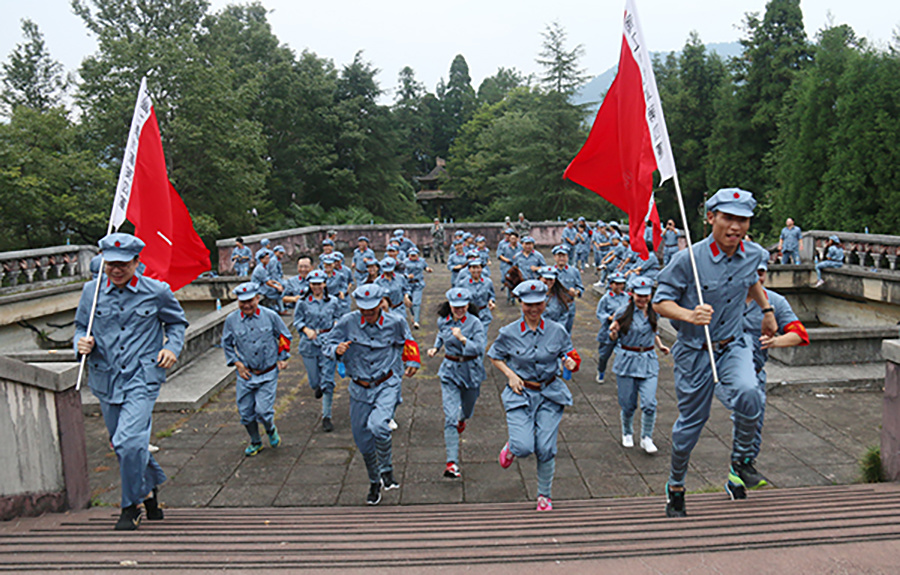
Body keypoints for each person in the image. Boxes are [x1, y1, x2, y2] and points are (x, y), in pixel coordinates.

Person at [652, 187, 776, 518]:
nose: (736, 227)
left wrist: (766, 310)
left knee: (751, 394)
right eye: (729, 218)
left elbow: (751, 281)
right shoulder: (687, 260)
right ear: (711, 218)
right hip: (694, 352)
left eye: (743, 220)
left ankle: (741, 461)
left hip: (732, 344)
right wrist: (689, 315)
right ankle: (676, 485)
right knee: (691, 425)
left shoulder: (751, 254)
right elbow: (660, 302)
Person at [74, 233, 188, 531]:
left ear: (137, 262)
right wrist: (80, 344)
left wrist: (171, 348)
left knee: (127, 441)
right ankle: (149, 491)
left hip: (142, 377)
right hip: (106, 378)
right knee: (123, 444)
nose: (116, 269)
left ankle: (130, 506)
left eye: (123, 264)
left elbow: (177, 323)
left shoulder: (157, 291)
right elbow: (79, 327)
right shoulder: (92, 292)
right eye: (111, 263)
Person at [322, 284, 420, 505]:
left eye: (372, 309)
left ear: (380, 304)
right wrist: (335, 350)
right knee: (364, 442)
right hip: (359, 387)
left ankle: (387, 469)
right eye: (363, 309)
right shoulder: (348, 322)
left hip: (386, 383)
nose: (368, 313)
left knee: (378, 425)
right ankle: (375, 480)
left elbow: (409, 341)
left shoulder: (396, 322)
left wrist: (413, 361)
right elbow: (326, 342)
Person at [488, 279, 580, 512]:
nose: (533, 309)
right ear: (520, 304)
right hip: (521, 393)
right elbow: (495, 356)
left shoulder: (556, 330)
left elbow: (569, 353)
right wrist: (510, 374)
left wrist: (569, 361)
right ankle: (512, 447)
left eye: (538, 303)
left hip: (549, 393)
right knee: (524, 447)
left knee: (546, 448)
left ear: (545, 302)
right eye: (528, 304)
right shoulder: (508, 333)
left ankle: (544, 495)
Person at [730, 259, 809, 499]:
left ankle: (739, 471)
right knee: (741, 416)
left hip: (754, 373)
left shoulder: (775, 302)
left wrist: (777, 341)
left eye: (761, 272)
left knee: (754, 424)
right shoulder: (723, 297)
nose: (757, 277)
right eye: (751, 271)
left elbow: (799, 334)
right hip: (721, 374)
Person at [221, 282, 292, 456]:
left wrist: (283, 357)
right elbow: (227, 344)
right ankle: (255, 441)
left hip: (267, 372)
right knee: (245, 413)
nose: (246, 305)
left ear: (258, 298)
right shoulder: (232, 320)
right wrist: (236, 363)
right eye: (242, 302)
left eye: (250, 301)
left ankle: (270, 428)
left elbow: (284, 336)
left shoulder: (270, 316)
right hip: (246, 374)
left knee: (263, 411)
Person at [427, 287, 487, 479]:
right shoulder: (443, 320)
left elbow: (478, 348)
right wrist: (436, 348)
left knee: (466, 411)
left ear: (468, 305)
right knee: (450, 416)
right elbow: (441, 334)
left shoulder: (475, 323)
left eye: (462, 307)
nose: (459, 310)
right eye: (455, 307)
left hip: (470, 371)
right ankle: (452, 463)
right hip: (450, 371)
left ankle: (462, 420)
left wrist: (462, 339)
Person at [609, 276, 670, 454]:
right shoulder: (623, 311)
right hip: (627, 360)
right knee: (628, 403)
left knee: (649, 402)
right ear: (632, 294)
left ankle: (647, 437)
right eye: (639, 295)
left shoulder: (654, 311)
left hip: (648, 360)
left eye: (646, 295)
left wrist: (660, 346)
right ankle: (627, 432)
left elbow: (654, 331)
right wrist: (614, 332)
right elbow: (612, 336)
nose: (643, 299)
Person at [293, 269, 343, 432]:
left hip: (328, 342)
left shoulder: (333, 301)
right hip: (309, 343)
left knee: (328, 381)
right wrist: (306, 329)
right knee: (315, 381)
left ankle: (326, 416)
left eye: (319, 284)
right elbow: (297, 320)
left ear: (324, 284)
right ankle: (318, 387)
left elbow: (339, 317)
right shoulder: (302, 302)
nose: (316, 287)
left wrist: (336, 326)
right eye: (313, 284)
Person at [595, 272, 629, 383]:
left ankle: (623, 375)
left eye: (621, 284)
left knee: (623, 354)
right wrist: (609, 317)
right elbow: (600, 313)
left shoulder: (627, 297)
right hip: (608, 330)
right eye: (617, 284)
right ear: (611, 284)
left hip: (623, 331)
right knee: (604, 355)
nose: (619, 286)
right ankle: (601, 371)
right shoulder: (606, 298)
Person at [551, 245, 583, 334]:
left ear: (567, 257)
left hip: (569, 306)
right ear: (554, 257)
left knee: (567, 331)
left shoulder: (574, 271)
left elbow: (580, 287)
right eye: (559, 256)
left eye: (564, 256)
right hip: (554, 305)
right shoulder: (550, 272)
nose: (561, 258)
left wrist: (576, 292)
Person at [460, 259, 496, 332]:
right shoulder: (463, 283)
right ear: (469, 269)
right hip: (470, 314)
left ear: (482, 269)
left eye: (478, 268)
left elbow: (491, 295)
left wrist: (491, 301)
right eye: (473, 268)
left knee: (482, 336)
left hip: (484, 313)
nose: (476, 270)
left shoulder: (488, 282)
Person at [404, 247, 433, 329]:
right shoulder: (405, 262)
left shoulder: (421, 261)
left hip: (418, 284)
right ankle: (413, 314)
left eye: (415, 254)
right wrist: (407, 276)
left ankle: (416, 321)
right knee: (410, 302)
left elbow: (425, 267)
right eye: (411, 255)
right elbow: (403, 272)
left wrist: (428, 269)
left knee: (417, 302)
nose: (413, 256)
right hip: (408, 284)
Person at [497, 230, 521, 305]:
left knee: (515, 281)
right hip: (506, 266)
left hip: (516, 266)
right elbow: (499, 255)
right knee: (507, 281)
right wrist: (506, 260)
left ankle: (513, 297)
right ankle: (509, 296)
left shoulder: (520, 247)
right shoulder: (504, 246)